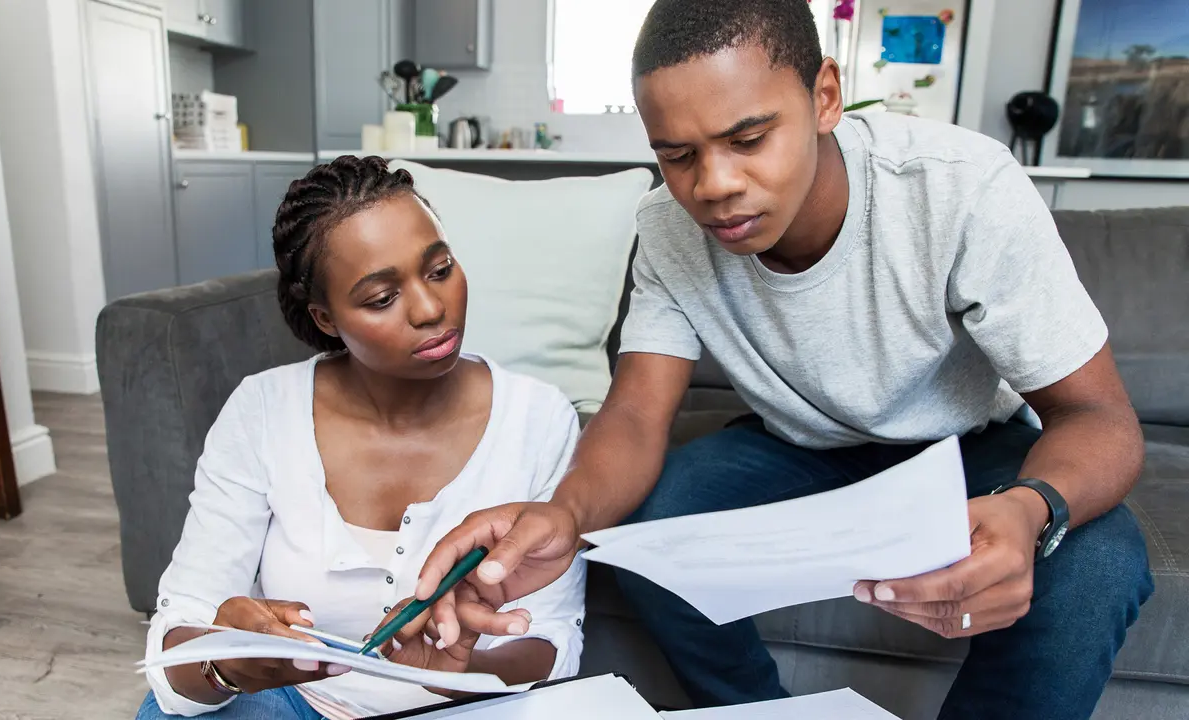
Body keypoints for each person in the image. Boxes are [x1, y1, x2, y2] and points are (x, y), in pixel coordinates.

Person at [410, 1, 1154, 718]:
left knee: (1101, 561)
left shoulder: (961, 189)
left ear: (825, 97)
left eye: (749, 138)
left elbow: (1099, 417)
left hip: (966, 447)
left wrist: (1031, 510)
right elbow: (636, 411)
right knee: (645, 521)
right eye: (678, 155)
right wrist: (564, 514)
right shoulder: (670, 227)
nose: (715, 187)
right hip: (798, 447)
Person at [136, 156, 586, 720]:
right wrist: (224, 665)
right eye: (381, 298)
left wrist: (459, 677)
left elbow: (551, 640)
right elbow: (178, 643)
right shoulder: (263, 409)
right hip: (298, 704)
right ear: (325, 317)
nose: (430, 309)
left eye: (440, 268)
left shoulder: (538, 417)